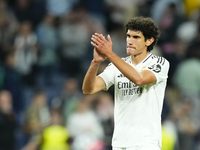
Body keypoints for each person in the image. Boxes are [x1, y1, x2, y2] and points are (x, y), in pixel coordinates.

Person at [82, 16, 170, 150]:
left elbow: (139, 79)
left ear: (149, 41)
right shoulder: (116, 66)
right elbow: (89, 89)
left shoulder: (159, 63)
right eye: (128, 36)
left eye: (136, 37)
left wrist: (109, 54)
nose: (129, 40)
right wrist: (96, 63)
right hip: (119, 142)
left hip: (146, 142)